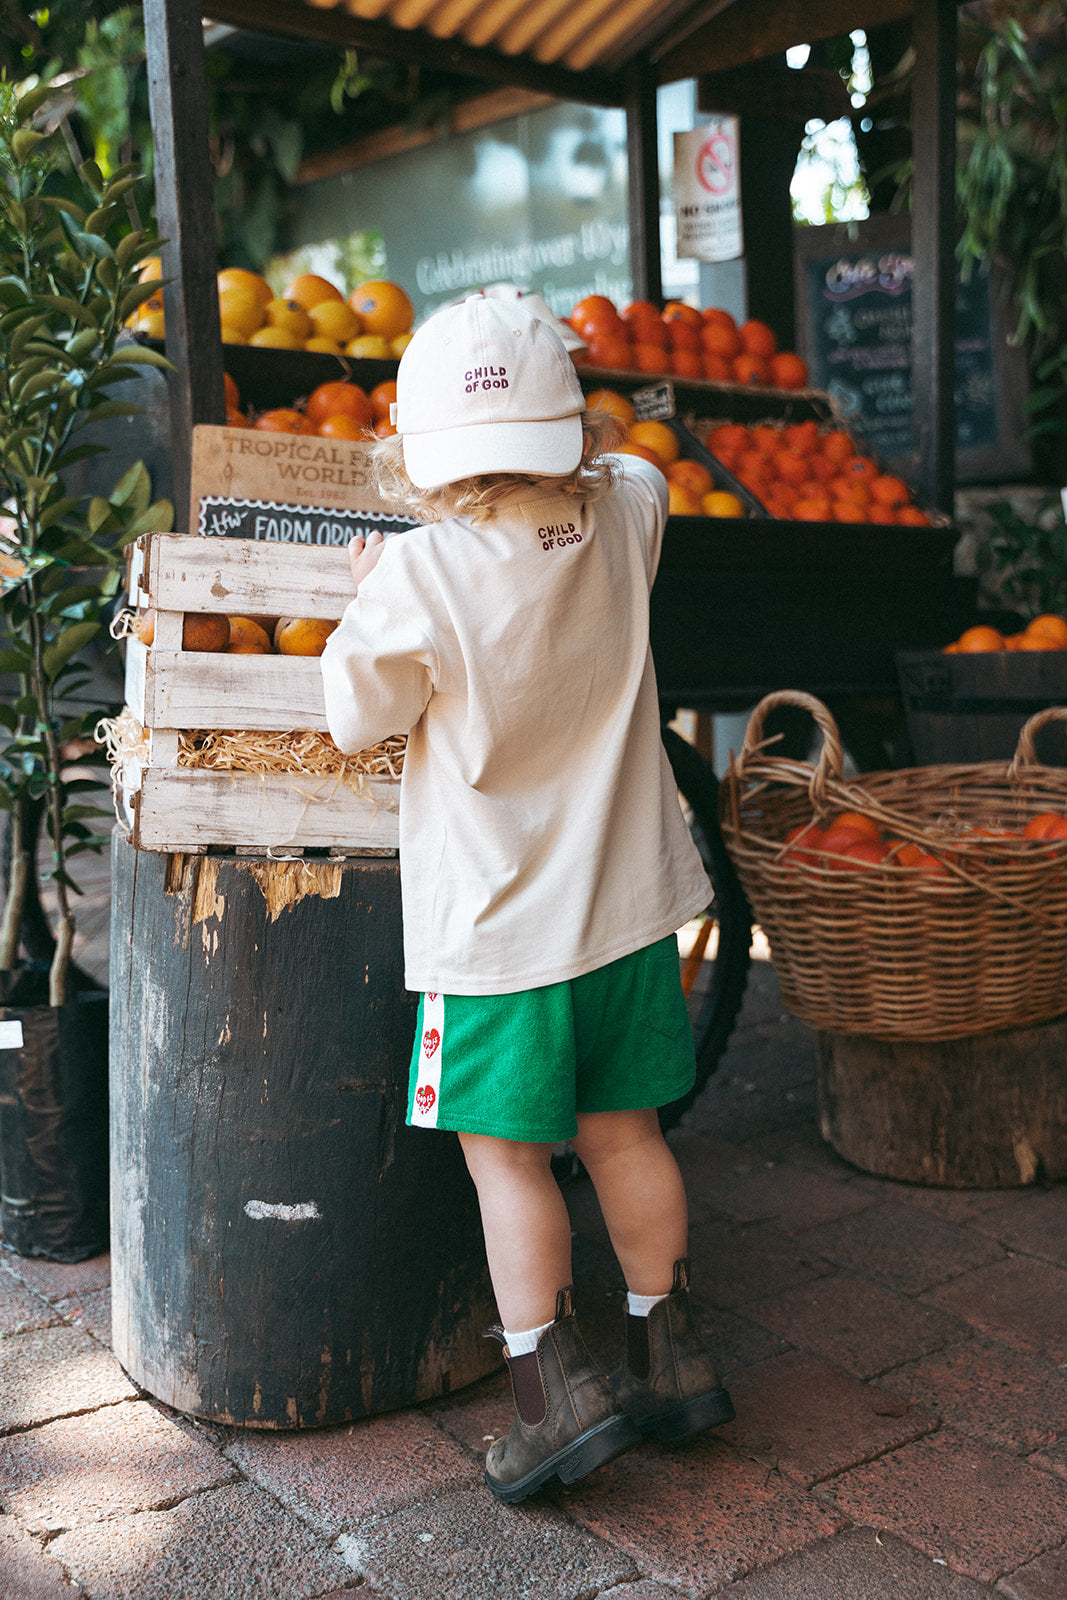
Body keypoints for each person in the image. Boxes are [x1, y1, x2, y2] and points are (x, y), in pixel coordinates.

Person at [320, 293, 734, 1504]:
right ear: (570, 432)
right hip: (624, 919)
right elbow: (636, 468)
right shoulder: (625, 517)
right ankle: (672, 1352)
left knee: (508, 1166)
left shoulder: (420, 571)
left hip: (499, 941)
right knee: (626, 1138)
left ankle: (552, 1399)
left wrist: (365, 593)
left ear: (420, 452)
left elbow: (354, 717)